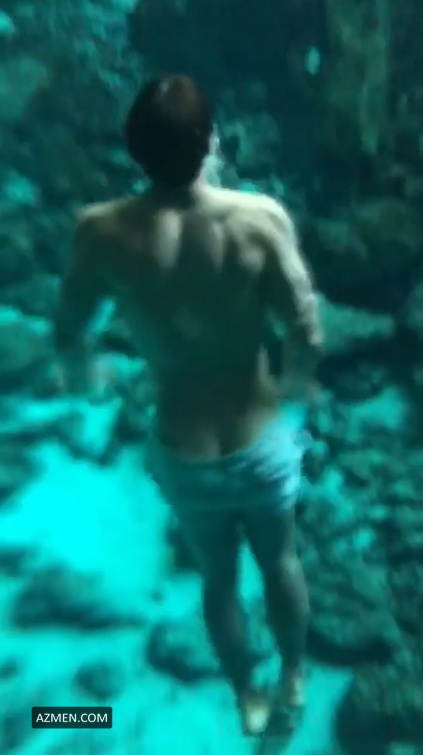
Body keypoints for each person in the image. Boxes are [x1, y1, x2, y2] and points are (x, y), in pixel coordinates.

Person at [53, 74, 323, 738]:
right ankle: (292, 678)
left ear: (134, 150)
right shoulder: (258, 220)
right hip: (259, 436)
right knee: (280, 563)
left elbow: (69, 332)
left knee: (218, 580)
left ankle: (247, 696)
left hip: (181, 449)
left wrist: (89, 374)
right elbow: (305, 329)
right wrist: (297, 385)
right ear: (212, 142)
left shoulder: (100, 232)